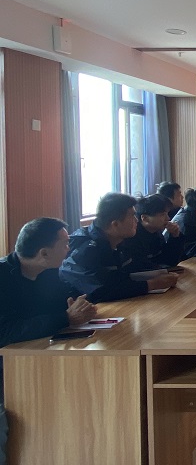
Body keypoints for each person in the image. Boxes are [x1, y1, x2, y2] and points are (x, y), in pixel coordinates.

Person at [0, 218, 99, 465]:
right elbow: (5, 332)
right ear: (44, 253)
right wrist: (65, 317)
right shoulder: (3, 278)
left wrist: (80, 306)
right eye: (64, 244)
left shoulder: (49, 272)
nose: (69, 248)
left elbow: (68, 300)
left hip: (37, 355)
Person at [60, 193, 178, 302]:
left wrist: (159, 277)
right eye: (132, 216)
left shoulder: (121, 241)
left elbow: (126, 276)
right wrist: (152, 284)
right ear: (115, 224)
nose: (136, 220)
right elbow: (98, 291)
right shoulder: (85, 249)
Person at [120, 194, 185, 271]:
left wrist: (175, 237)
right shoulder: (132, 236)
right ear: (145, 218)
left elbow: (169, 261)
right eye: (162, 214)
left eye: (167, 213)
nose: (168, 218)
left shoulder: (156, 232)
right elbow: (142, 269)